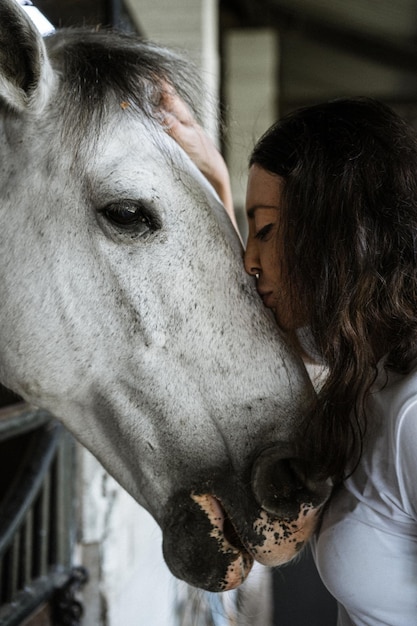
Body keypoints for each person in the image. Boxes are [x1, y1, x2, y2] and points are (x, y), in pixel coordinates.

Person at [161, 92, 417, 625]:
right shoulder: (366, 362)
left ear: (338, 235)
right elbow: (251, 321)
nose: (249, 261)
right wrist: (215, 183)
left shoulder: (411, 415)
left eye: (268, 230)